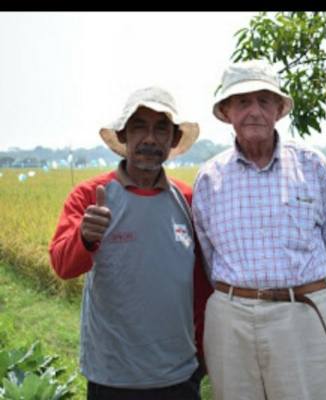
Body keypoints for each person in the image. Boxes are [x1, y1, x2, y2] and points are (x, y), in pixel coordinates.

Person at [192, 60, 326, 400]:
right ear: (227, 111)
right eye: (243, 101)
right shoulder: (209, 177)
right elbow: (207, 254)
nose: (254, 111)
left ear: (279, 109)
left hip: (302, 312)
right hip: (230, 318)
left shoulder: (313, 166)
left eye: (264, 100)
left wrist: (299, 296)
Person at [49, 86, 212, 400]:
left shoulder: (189, 200)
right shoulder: (89, 195)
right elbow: (62, 265)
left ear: (174, 140)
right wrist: (85, 236)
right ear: (123, 135)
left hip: (178, 374)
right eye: (139, 127)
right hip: (112, 375)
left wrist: (202, 357)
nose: (149, 138)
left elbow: (201, 287)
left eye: (161, 129)